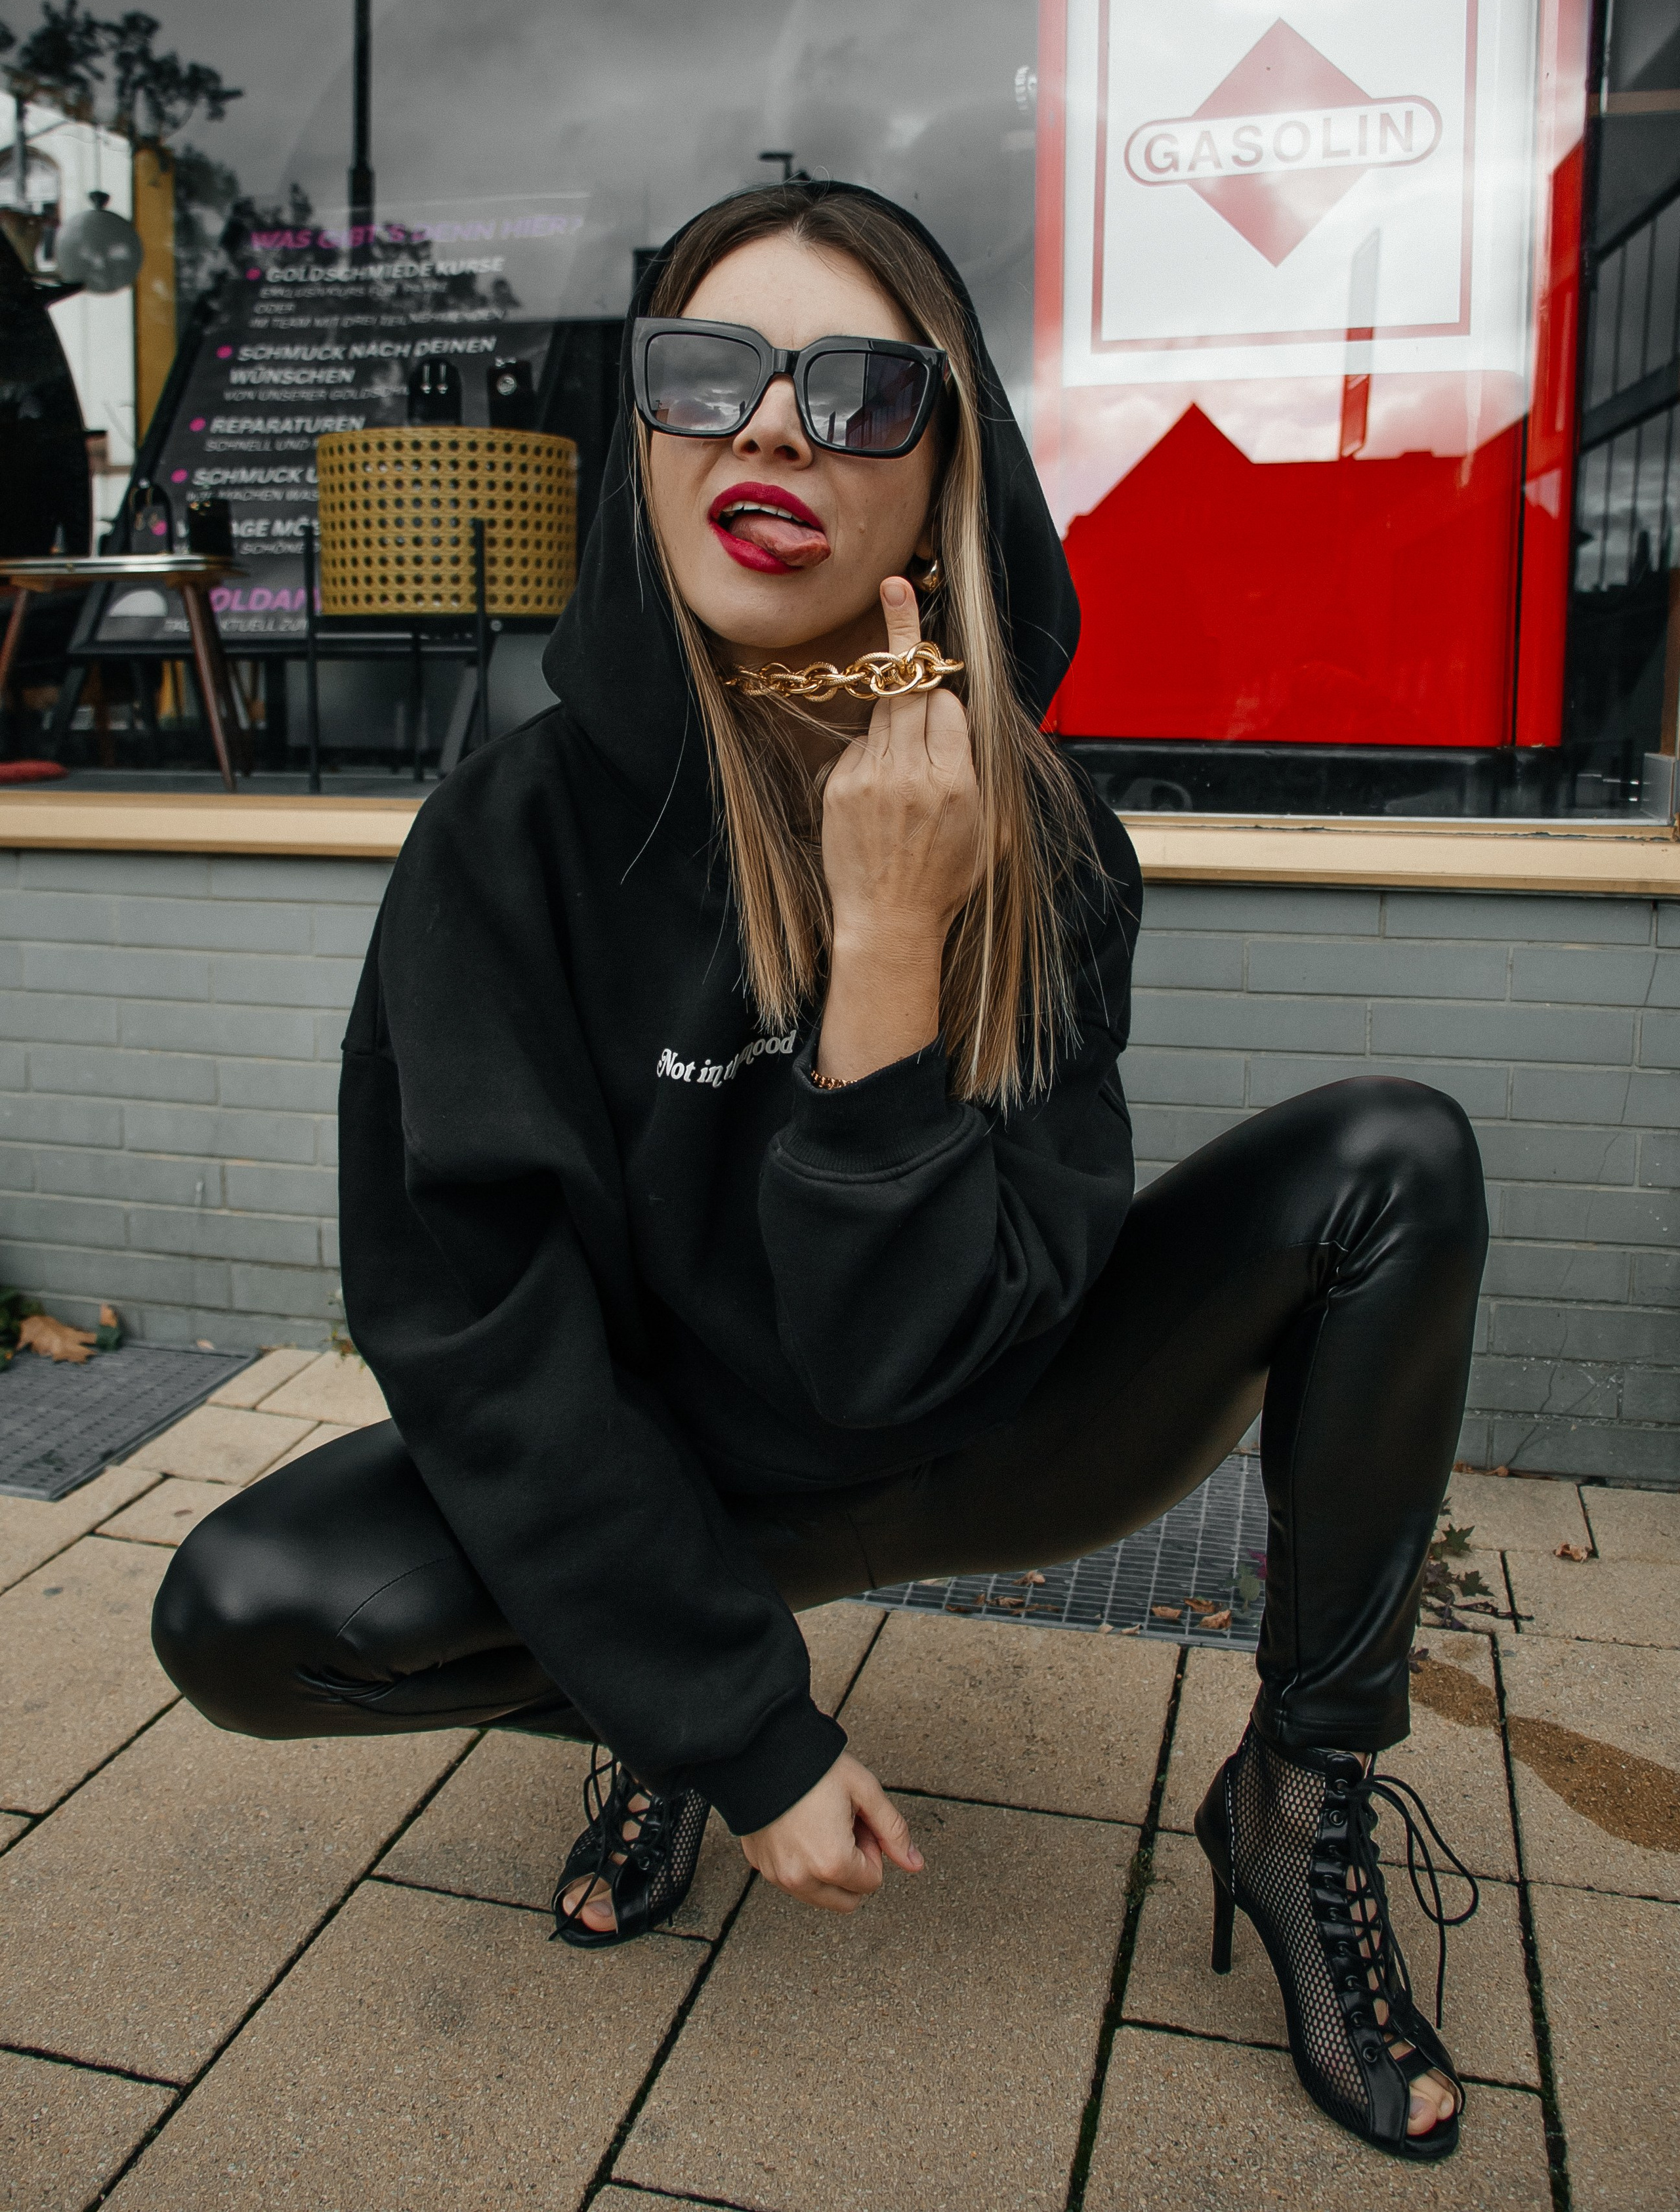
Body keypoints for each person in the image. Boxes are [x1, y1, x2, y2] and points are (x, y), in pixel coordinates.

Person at [154, 181, 1486, 2165]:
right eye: (709, 374)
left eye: (859, 392)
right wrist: (734, 1718)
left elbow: (912, 1354)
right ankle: (658, 1719)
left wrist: (886, 957)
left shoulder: (1040, 840)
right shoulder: (502, 850)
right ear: (651, 434)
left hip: (1002, 1427)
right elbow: (481, 1345)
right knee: (245, 1608)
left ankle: (1296, 1805)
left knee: (1400, 1158)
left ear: (942, 472)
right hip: (700, 1478)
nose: (772, 429)